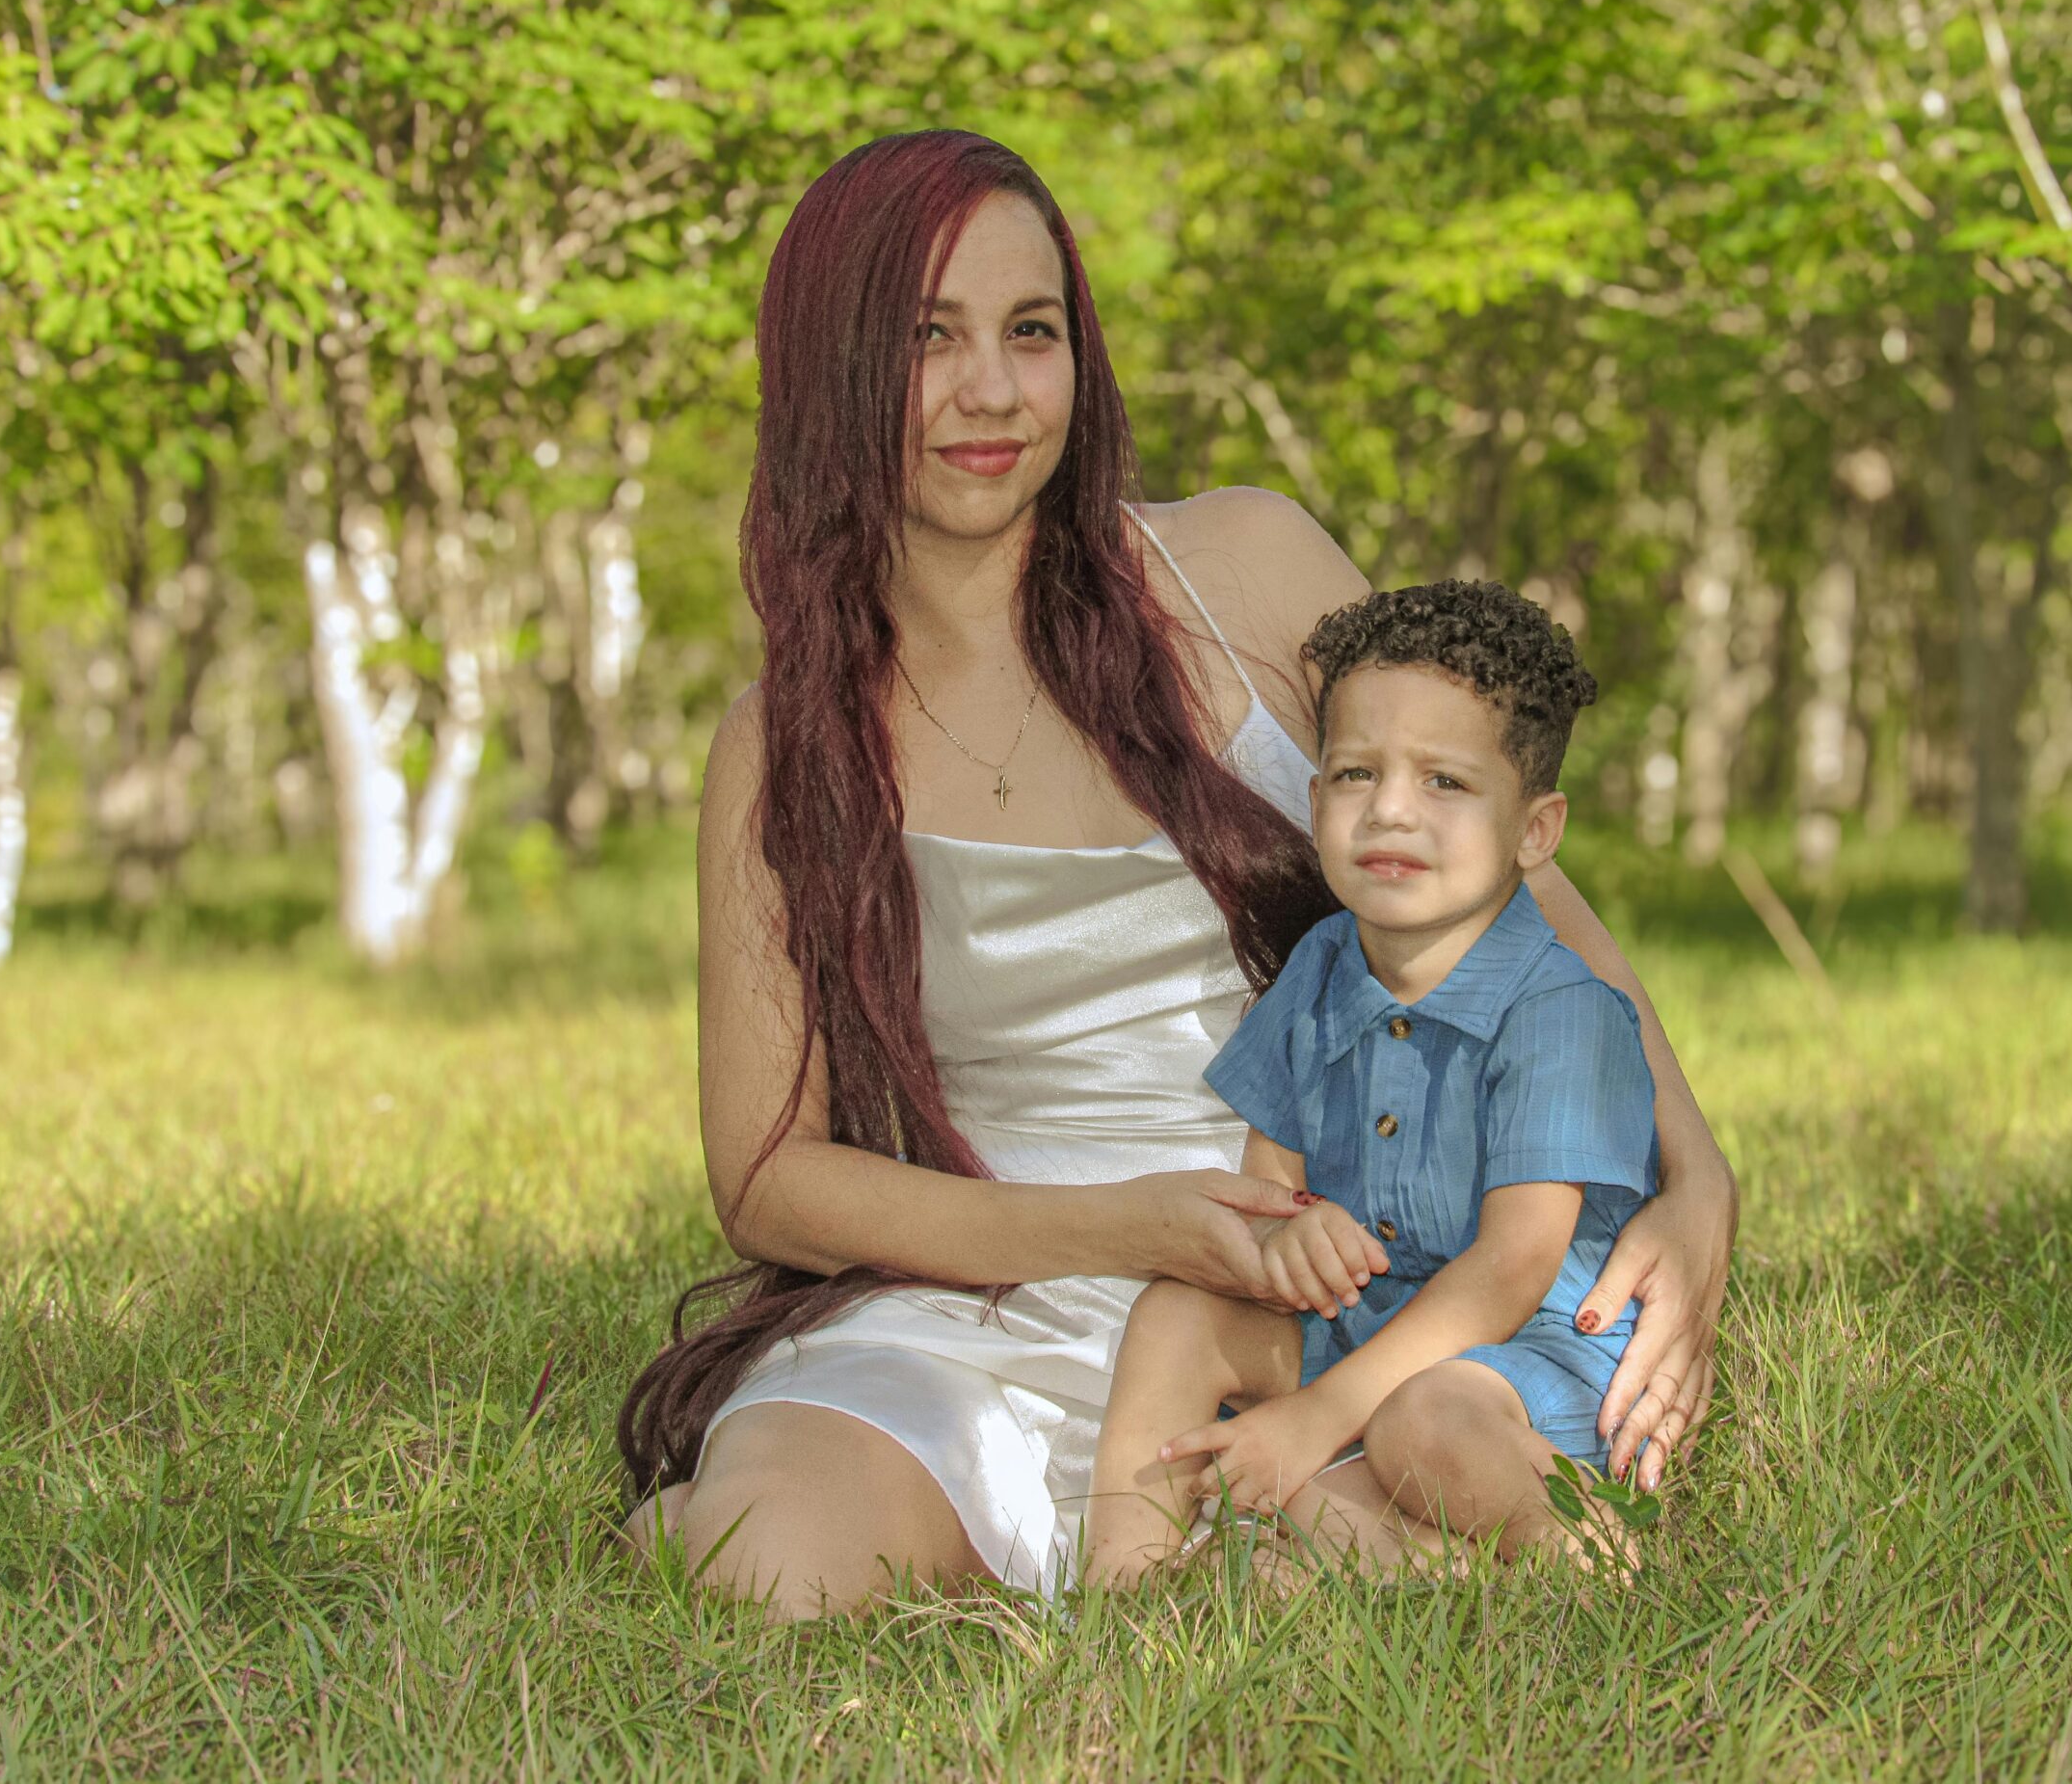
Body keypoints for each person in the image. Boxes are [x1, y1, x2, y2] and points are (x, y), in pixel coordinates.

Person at [617, 129, 1737, 1618]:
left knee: (1352, 1546)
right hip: (987, 1290)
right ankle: (1151, 1531)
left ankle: (1264, 1522)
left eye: (1033, 331)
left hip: (1322, 1287)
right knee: (775, 1565)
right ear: (828, 367)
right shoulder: (783, 747)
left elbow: (1528, 913)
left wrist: (1699, 1174)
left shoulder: (1247, 571)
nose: (993, 394)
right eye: (925, 339)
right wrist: (1121, 1226)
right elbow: (768, 1179)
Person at [1085, 581, 1656, 1580]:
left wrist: (1314, 1417)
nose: (1390, 809)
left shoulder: (1559, 1009)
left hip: (1517, 1360)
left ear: (1535, 829)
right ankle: (1123, 1586)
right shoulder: (1318, 965)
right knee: (1181, 1313)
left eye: (1444, 782)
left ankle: (1570, 1552)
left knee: (1416, 1424)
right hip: (1361, 1326)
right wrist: (1289, 1230)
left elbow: (1513, 1272)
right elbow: (1271, 1187)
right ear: (1313, 802)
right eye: (1355, 773)